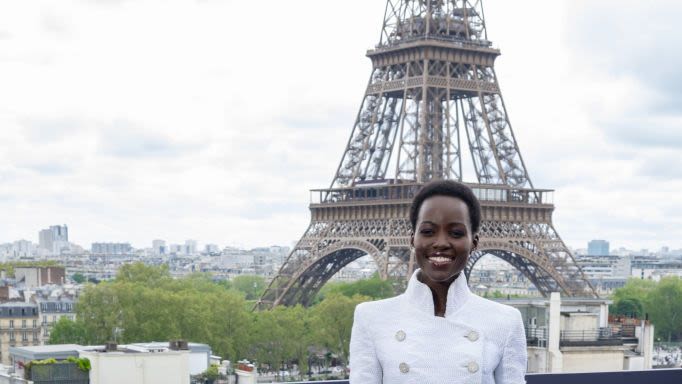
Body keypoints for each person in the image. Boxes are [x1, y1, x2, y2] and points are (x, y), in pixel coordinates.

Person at [349, 180, 527, 384]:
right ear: (412, 239)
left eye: (456, 233)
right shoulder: (370, 318)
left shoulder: (506, 322)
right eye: (428, 231)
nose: (441, 242)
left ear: (474, 242)